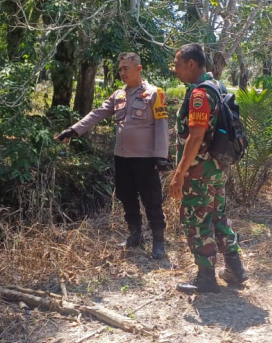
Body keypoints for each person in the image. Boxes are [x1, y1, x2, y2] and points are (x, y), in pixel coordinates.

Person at [55, 52, 170, 259]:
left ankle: (159, 241)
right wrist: (74, 130)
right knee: (127, 197)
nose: (122, 72)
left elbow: (162, 126)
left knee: (151, 199)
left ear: (139, 69)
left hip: (145, 159)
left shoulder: (154, 93)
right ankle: (135, 235)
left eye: (126, 68)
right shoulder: (118, 95)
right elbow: (97, 113)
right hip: (122, 157)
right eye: (120, 69)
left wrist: (161, 156)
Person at [169, 43, 247, 293]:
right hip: (217, 169)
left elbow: (195, 137)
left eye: (177, 64)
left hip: (199, 172)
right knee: (218, 216)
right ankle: (235, 269)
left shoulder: (200, 94)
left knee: (197, 221)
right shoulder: (217, 86)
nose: (175, 70)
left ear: (191, 64)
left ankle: (205, 278)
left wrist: (179, 174)